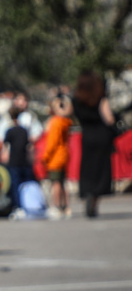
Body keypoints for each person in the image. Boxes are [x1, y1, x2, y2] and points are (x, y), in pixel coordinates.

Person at [72, 71, 117, 218]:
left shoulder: (76, 100)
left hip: (87, 136)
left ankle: (88, 191)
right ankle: (95, 198)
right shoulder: (100, 98)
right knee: (101, 169)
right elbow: (109, 119)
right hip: (102, 136)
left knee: (88, 168)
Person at [41, 91, 73, 219]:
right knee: (63, 182)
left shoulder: (55, 122)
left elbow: (52, 143)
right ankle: (66, 207)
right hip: (64, 155)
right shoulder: (66, 121)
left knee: (56, 183)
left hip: (55, 157)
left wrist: (45, 157)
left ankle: (56, 206)